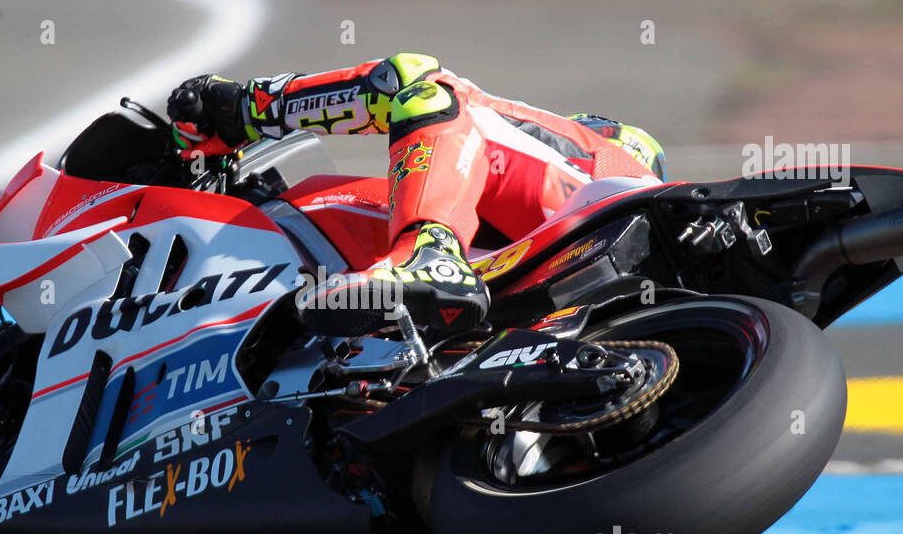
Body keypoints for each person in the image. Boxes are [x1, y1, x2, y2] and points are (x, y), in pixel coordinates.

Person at [166, 53, 666, 337]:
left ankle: (430, 252)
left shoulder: (598, 150)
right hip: (566, 300)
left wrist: (237, 114)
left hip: (613, 216)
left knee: (417, 81)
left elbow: (414, 80)